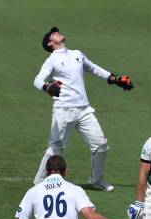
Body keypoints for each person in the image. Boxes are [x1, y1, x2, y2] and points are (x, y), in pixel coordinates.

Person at [32, 26, 134, 191]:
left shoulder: (77, 54)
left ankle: (96, 179)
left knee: (101, 145)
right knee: (56, 148)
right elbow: (37, 80)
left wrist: (114, 78)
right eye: (53, 33)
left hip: (84, 109)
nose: (57, 32)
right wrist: (47, 87)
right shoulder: (52, 60)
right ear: (50, 43)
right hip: (63, 110)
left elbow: (93, 68)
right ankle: (39, 183)